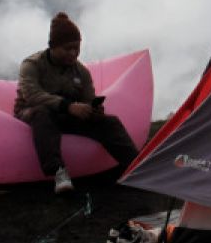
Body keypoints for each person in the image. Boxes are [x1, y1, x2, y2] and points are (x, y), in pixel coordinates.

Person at [15, 12, 139, 193]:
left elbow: (88, 98)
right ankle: (59, 173)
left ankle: (136, 168)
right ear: (53, 46)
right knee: (42, 113)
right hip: (32, 112)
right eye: (67, 48)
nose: (73, 53)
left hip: (66, 115)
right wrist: (68, 106)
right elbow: (32, 95)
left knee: (110, 122)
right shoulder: (32, 64)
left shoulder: (81, 71)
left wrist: (94, 110)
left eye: (76, 48)